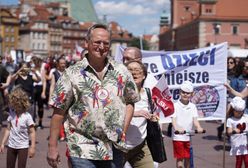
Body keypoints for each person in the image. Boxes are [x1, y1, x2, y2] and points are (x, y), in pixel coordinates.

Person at [47, 23, 140, 168]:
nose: (101, 47)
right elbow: (59, 111)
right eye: (97, 42)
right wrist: (52, 147)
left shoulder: (122, 71)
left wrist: (123, 130)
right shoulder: (71, 74)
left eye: (106, 43)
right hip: (82, 147)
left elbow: (130, 101)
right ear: (87, 43)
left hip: (114, 147)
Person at [124, 60, 157, 168]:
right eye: (130, 70)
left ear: (144, 76)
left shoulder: (148, 93)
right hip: (118, 148)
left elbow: (154, 114)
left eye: (137, 70)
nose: (133, 73)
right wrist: (134, 113)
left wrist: (152, 117)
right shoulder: (117, 92)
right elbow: (109, 113)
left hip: (140, 147)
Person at [0, 86, 36, 168]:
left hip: (23, 146)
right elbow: (8, 129)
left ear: (21, 103)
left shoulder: (27, 116)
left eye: (15, 104)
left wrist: (32, 147)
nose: (13, 106)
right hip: (11, 145)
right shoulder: (12, 114)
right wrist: (2, 143)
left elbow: (32, 132)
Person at [171, 81, 204, 168]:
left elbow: (195, 120)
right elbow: (173, 120)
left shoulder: (193, 106)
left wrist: (199, 127)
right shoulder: (175, 105)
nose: (185, 94)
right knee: (180, 159)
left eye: (188, 93)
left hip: (188, 135)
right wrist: (177, 128)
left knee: (188, 158)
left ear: (192, 94)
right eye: (183, 92)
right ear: (180, 92)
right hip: (178, 136)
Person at [226, 96, 248, 168]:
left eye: (241, 112)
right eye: (237, 112)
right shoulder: (230, 120)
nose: (239, 113)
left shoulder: (245, 117)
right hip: (237, 143)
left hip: (245, 143)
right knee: (239, 161)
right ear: (233, 110)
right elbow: (228, 132)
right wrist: (233, 131)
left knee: (247, 160)